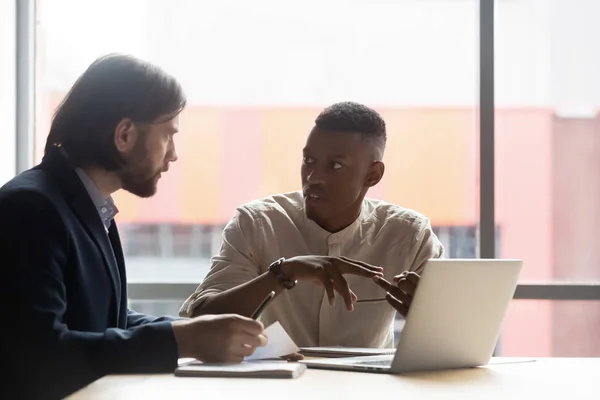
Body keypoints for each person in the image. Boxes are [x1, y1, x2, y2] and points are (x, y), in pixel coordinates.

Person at [0, 54, 266, 400]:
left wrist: (194, 331)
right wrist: (184, 340)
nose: (173, 155)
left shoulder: (84, 204)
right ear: (124, 134)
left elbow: (107, 321)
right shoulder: (30, 208)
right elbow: (39, 354)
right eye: (169, 135)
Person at [179, 101, 444, 348]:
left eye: (335, 165)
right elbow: (200, 320)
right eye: (308, 161)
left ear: (372, 175)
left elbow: (454, 339)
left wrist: (429, 319)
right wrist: (283, 273)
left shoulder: (410, 235)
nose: (314, 177)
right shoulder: (257, 224)